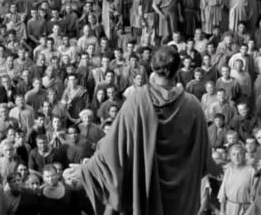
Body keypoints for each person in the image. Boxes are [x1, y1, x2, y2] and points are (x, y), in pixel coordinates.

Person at [64, 46, 219, 215]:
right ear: (177, 70)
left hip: (146, 195)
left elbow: (113, 149)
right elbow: (204, 156)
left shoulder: (138, 101)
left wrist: (86, 171)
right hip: (181, 200)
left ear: (152, 66)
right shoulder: (193, 105)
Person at [218, 143, 256, 215]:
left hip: (245, 209)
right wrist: (222, 211)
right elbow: (222, 194)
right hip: (229, 207)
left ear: (244, 155)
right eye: (234, 154)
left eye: (239, 154)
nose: (237, 157)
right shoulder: (228, 170)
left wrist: (248, 213)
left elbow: (255, 198)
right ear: (230, 157)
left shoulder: (251, 171)